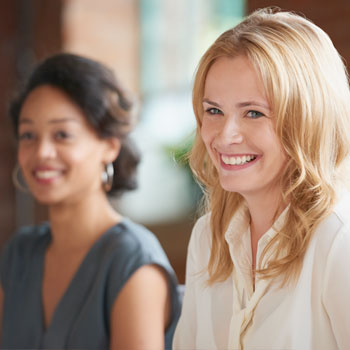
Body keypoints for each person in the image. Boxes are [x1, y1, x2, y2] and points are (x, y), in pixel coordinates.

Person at [173, 7, 350, 350]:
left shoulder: (338, 240)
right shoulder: (207, 238)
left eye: (253, 112)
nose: (225, 137)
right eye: (214, 111)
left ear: (306, 119)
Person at [0, 53, 180, 349]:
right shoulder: (20, 255)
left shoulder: (132, 261)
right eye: (28, 134)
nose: (42, 152)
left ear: (110, 146)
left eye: (62, 134)